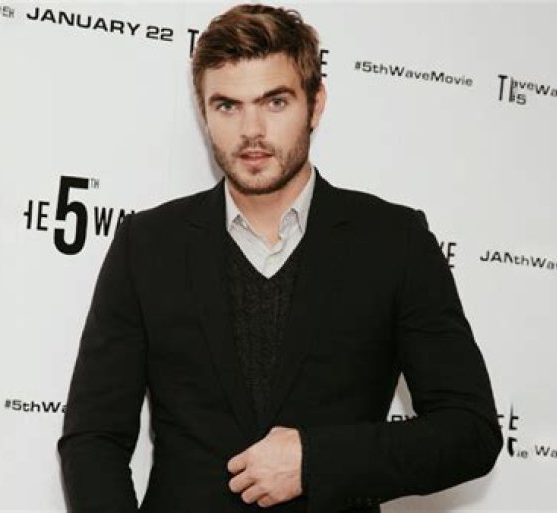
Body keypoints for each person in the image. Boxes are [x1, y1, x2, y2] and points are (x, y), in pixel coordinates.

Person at [57, 4, 502, 513]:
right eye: (227, 105)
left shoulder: (394, 242)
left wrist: (317, 460)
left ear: (316, 105)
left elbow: (469, 431)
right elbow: (92, 439)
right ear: (204, 113)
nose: (251, 130)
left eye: (275, 102)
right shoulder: (147, 245)